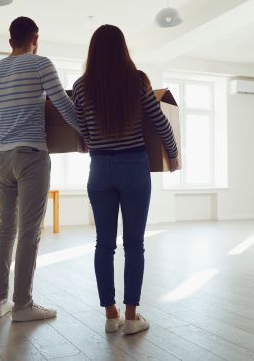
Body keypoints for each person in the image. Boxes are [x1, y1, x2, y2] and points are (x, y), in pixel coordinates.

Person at [72, 24, 178, 335]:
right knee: (134, 245)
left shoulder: (81, 86)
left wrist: (96, 139)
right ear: (123, 49)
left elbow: (83, 132)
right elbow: (160, 122)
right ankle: (132, 317)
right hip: (134, 166)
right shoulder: (137, 81)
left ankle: (110, 314)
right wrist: (173, 155)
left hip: (100, 168)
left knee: (103, 245)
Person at [0, 16, 80, 322]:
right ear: (36, 39)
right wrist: (85, 133)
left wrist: (6, 119)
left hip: (2, 159)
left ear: (10, 41)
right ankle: (22, 305)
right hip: (31, 156)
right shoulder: (40, 63)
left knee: (5, 231)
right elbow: (62, 104)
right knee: (29, 232)